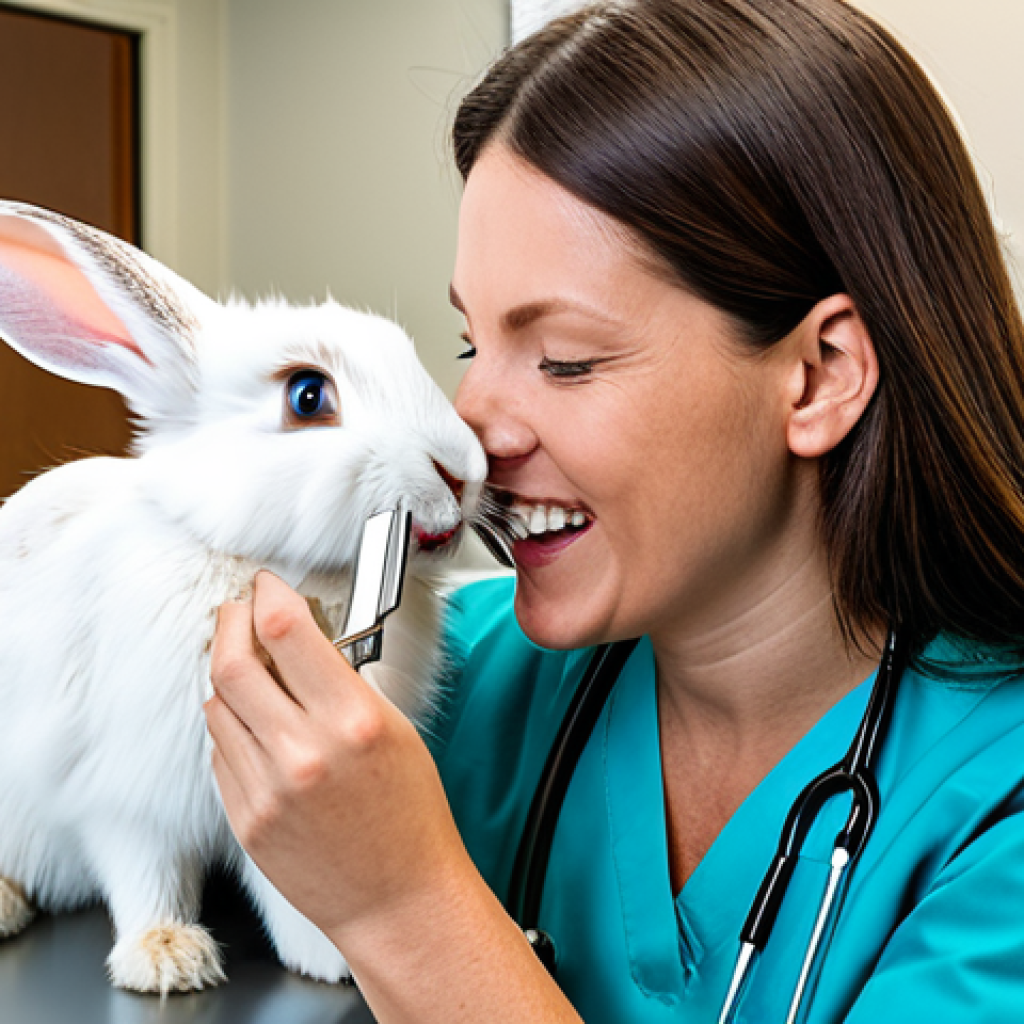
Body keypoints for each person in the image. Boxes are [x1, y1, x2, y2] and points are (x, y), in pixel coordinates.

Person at [203, 0, 1024, 1020]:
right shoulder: (446, 676)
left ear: (816, 376)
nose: (471, 430)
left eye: (565, 359)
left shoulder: (998, 802)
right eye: (472, 346)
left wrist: (402, 903)